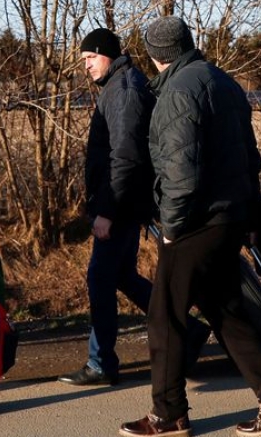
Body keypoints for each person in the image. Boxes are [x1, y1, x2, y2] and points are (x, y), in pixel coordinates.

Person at [119, 16, 261, 437]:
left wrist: (171, 225)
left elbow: (181, 171)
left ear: (156, 54)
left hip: (197, 222)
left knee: (164, 316)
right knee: (225, 310)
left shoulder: (178, 92)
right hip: (232, 215)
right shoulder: (222, 82)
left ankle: (168, 415)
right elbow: (249, 156)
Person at [59, 28, 184, 387]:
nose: (85, 66)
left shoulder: (125, 90)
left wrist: (107, 211)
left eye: (90, 58)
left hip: (122, 204)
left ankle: (101, 363)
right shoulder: (119, 86)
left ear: (108, 55)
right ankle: (188, 333)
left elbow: (126, 157)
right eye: (83, 59)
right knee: (122, 276)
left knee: (100, 278)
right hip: (125, 201)